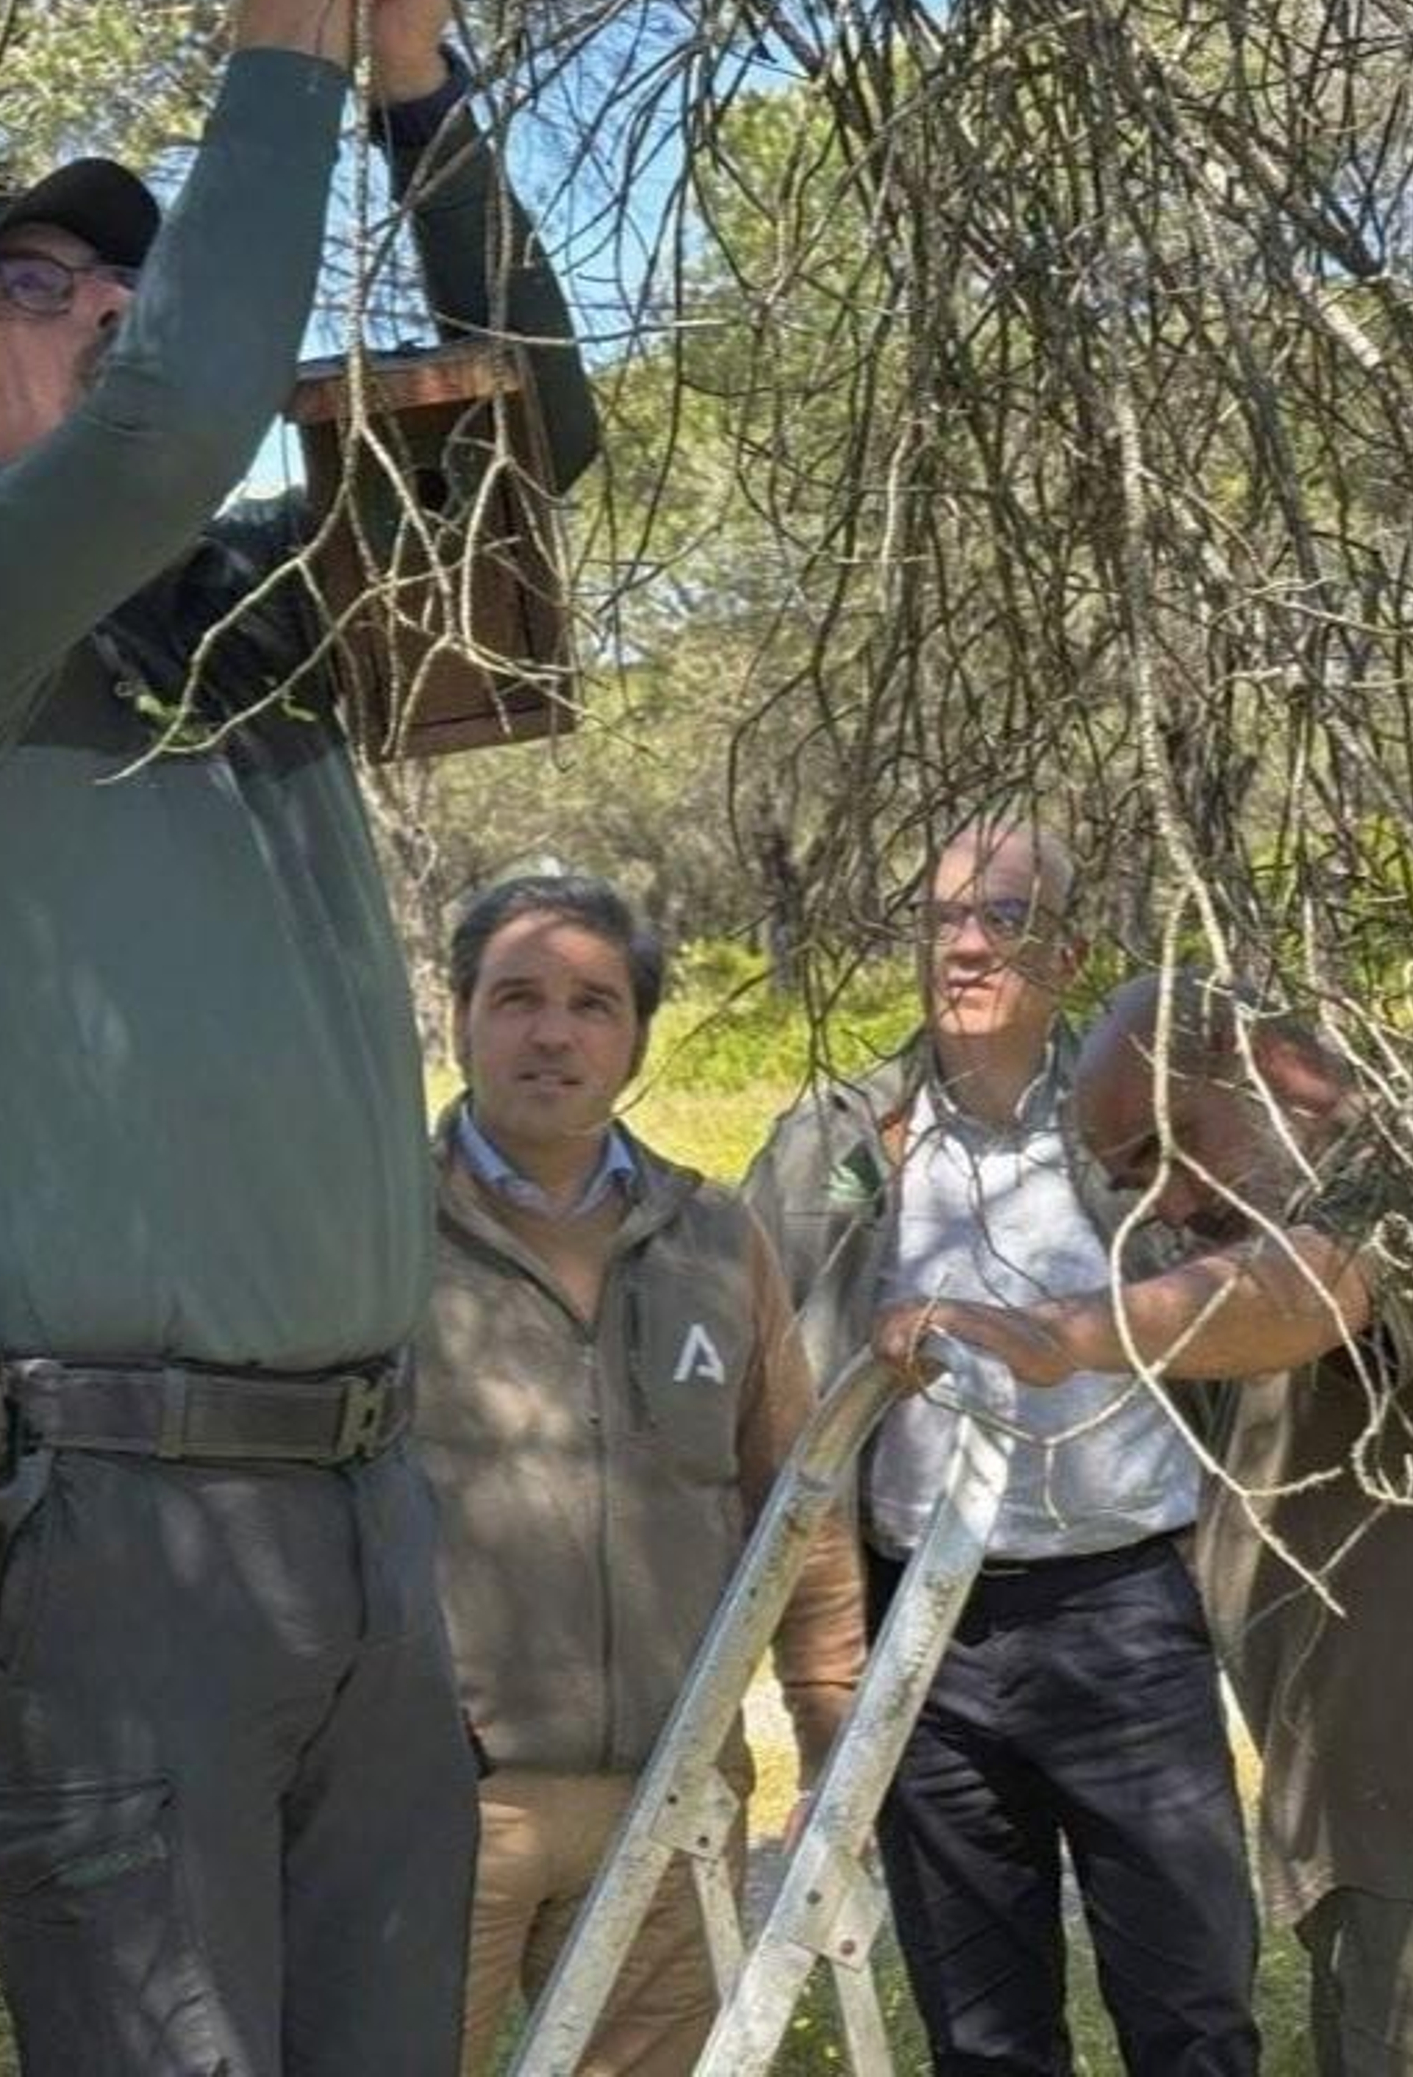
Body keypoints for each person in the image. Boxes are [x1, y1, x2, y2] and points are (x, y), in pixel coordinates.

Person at [0, 0, 599, 2072]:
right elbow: (176, 423)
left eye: (119, 269)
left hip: (360, 1512)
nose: (107, 295)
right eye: (36, 280)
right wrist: (281, 38)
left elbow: (526, 448)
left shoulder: (234, 620)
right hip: (109, 1539)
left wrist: (418, 92)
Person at [745, 822, 1261, 2077]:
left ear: (1068, 955)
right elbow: (754, 1366)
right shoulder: (838, 1134)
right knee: (981, 2038)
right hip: (924, 1636)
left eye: (1005, 920)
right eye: (942, 920)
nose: (966, 946)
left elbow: (1264, 1302)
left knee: (1192, 2016)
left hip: (1126, 1615)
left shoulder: (1145, 1127)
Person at [885, 969, 1413, 2076]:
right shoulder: (1251, 1222)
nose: (1165, 1204)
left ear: (1272, 1065)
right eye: (1131, 1177)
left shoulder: (1401, 1166)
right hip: (1363, 1832)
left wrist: (1068, 1333)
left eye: (1169, 1145)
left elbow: (1312, 1290)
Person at [410, 873, 865, 2077]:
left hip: (673, 1798)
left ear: (637, 1037)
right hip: (435, 1802)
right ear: (459, 1017)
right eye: (516, 998)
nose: (552, 1034)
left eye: (591, 1004)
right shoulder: (374, 1234)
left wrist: (831, 1722)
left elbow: (796, 1501)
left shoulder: (714, 1235)